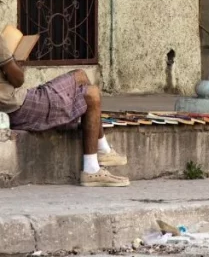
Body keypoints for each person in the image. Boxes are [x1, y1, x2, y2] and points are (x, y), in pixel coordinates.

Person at [0, 35, 130, 187]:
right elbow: (18, 80)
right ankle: (94, 164)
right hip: (19, 105)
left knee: (84, 85)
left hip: (14, 107)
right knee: (90, 91)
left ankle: (100, 155)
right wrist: (16, 62)